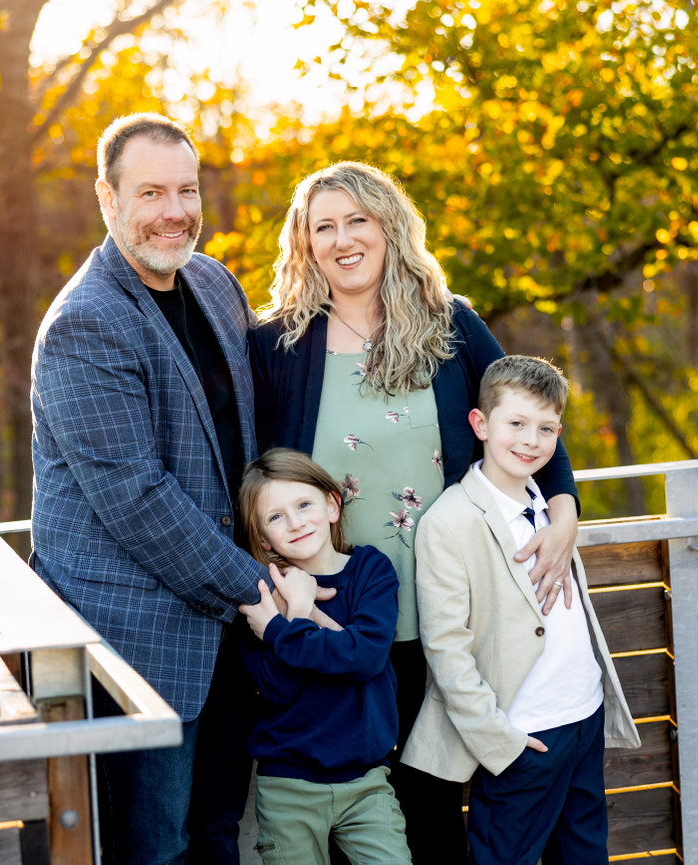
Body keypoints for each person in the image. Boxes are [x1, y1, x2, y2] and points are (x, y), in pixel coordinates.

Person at [249, 161, 581, 861]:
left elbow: (529, 423)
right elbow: (254, 475)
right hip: (337, 616)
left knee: (433, 805)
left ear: (388, 225)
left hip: (452, 615)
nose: (343, 239)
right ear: (305, 243)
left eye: (357, 220)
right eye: (324, 226)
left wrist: (565, 512)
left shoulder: (449, 323)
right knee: (350, 807)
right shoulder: (279, 345)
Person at [30, 113, 289, 865]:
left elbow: (249, 429)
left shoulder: (210, 280)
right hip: (139, 636)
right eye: (151, 191)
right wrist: (257, 587)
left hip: (227, 629)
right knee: (155, 848)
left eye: (187, 189)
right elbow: (138, 501)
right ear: (107, 200)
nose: (175, 210)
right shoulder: (86, 323)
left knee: (218, 832)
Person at [402, 355, 640, 865]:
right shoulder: (450, 522)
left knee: (584, 855)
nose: (531, 440)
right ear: (481, 424)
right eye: (516, 424)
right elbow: (446, 648)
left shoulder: (551, 506)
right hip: (523, 734)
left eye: (546, 428)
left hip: (583, 715)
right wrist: (499, 740)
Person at [234, 448, 412, 865]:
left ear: (332, 505)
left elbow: (364, 657)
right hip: (288, 786)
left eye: (303, 505)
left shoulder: (371, 570)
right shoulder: (260, 597)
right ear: (262, 538)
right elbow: (279, 688)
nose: (295, 522)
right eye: (275, 517)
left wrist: (287, 625)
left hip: (367, 781)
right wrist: (294, 608)